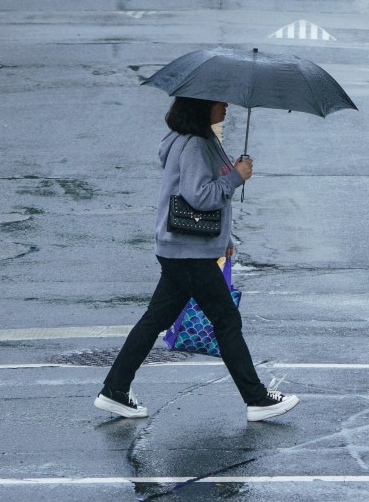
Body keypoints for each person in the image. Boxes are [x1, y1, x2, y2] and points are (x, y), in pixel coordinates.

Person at [95, 96, 298, 423]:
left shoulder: (197, 139)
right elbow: (198, 195)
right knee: (226, 320)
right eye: (220, 102)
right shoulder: (193, 145)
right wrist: (236, 177)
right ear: (202, 105)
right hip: (188, 252)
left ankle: (115, 389)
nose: (226, 106)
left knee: (155, 320)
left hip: (182, 248)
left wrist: (224, 238)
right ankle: (257, 398)